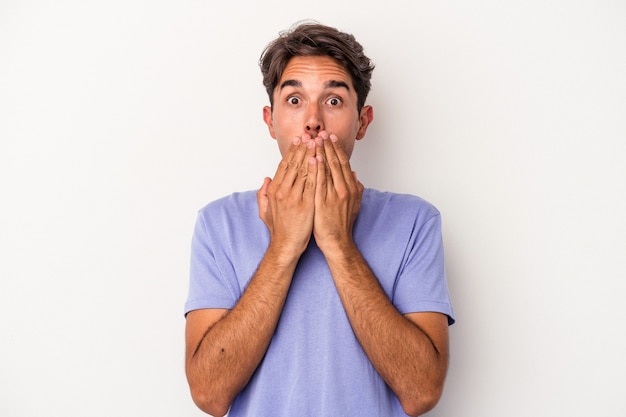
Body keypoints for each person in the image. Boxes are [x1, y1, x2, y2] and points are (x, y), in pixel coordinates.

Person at [184, 21, 455, 417]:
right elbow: (209, 395)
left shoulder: (415, 221)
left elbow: (422, 392)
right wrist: (283, 247)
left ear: (362, 122)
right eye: (294, 100)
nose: (313, 121)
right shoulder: (218, 223)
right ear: (270, 119)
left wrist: (338, 243)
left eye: (333, 101)